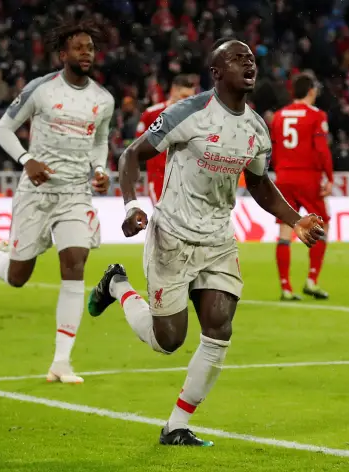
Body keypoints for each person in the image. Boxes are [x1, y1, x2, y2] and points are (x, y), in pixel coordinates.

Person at [87, 38, 325, 446]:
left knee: (219, 329)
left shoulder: (256, 127)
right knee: (169, 340)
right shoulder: (188, 113)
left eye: (250, 58)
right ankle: (117, 285)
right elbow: (131, 156)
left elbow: (258, 183)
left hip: (217, 240)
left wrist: (295, 219)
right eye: (237, 59)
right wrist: (131, 206)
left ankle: (176, 425)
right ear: (216, 73)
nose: (248, 63)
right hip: (172, 236)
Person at [0, 18, 115, 382]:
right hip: (36, 192)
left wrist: (100, 168)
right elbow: (2, 129)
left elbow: (100, 140)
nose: (86, 53)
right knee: (18, 277)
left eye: (90, 48)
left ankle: (61, 362)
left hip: (75, 193)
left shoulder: (103, 99)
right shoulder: (40, 90)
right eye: (78, 47)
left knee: (75, 264)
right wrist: (26, 159)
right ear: (62, 54)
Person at [269, 72, 333, 300]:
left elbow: (273, 149)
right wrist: (329, 177)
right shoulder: (316, 115)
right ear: (312, 91)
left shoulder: (278, 116)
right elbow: (322, 149)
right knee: (322, 225)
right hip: (308, 177)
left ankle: (285, 287)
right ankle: (311, 280)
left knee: (285, 231)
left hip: (284, 177)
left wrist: (280, 171)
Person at [135, 75, 196, 204]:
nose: (187, 101)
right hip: (159, 177)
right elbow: (137, 146)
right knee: (161, 214)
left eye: (191, 97)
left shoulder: (196, 117)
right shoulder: (151, 114)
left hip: (186, 178)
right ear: (173, 91)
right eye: (184, 96)